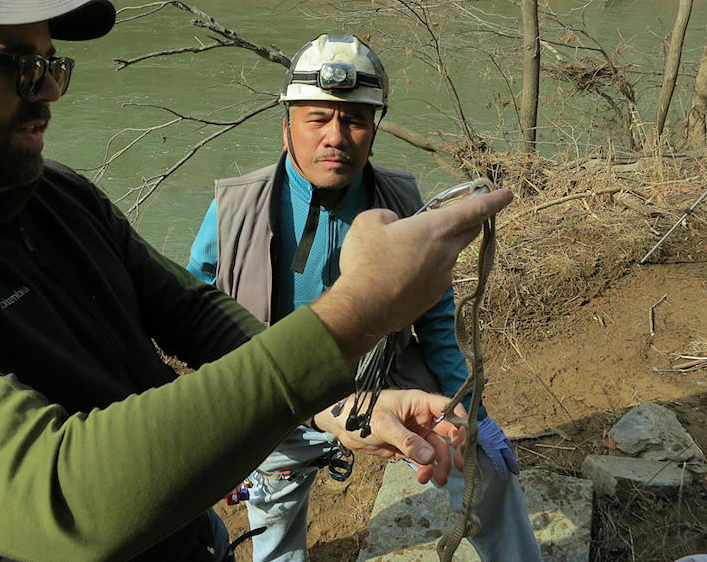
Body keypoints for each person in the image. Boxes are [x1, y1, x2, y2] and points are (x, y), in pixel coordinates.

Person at [0, 0, 513, 562]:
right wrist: (362, 307)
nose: (49, 92)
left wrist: (341, 408)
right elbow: (64, 499)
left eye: (55, 66)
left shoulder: (53, 193)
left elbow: (192, 311)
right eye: (21, 67)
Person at [187, 34, 542, 562]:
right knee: (276, 536)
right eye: (317, 119)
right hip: (278, 395)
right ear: (287, 127)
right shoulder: (235, 209)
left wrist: (474, 412)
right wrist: (220, 421)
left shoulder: (402, 201)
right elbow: (196, 313)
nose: (336, 137)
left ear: (373, 132)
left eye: (354, 120)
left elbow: (439, 322)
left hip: (388, 378)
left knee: (481, 474)